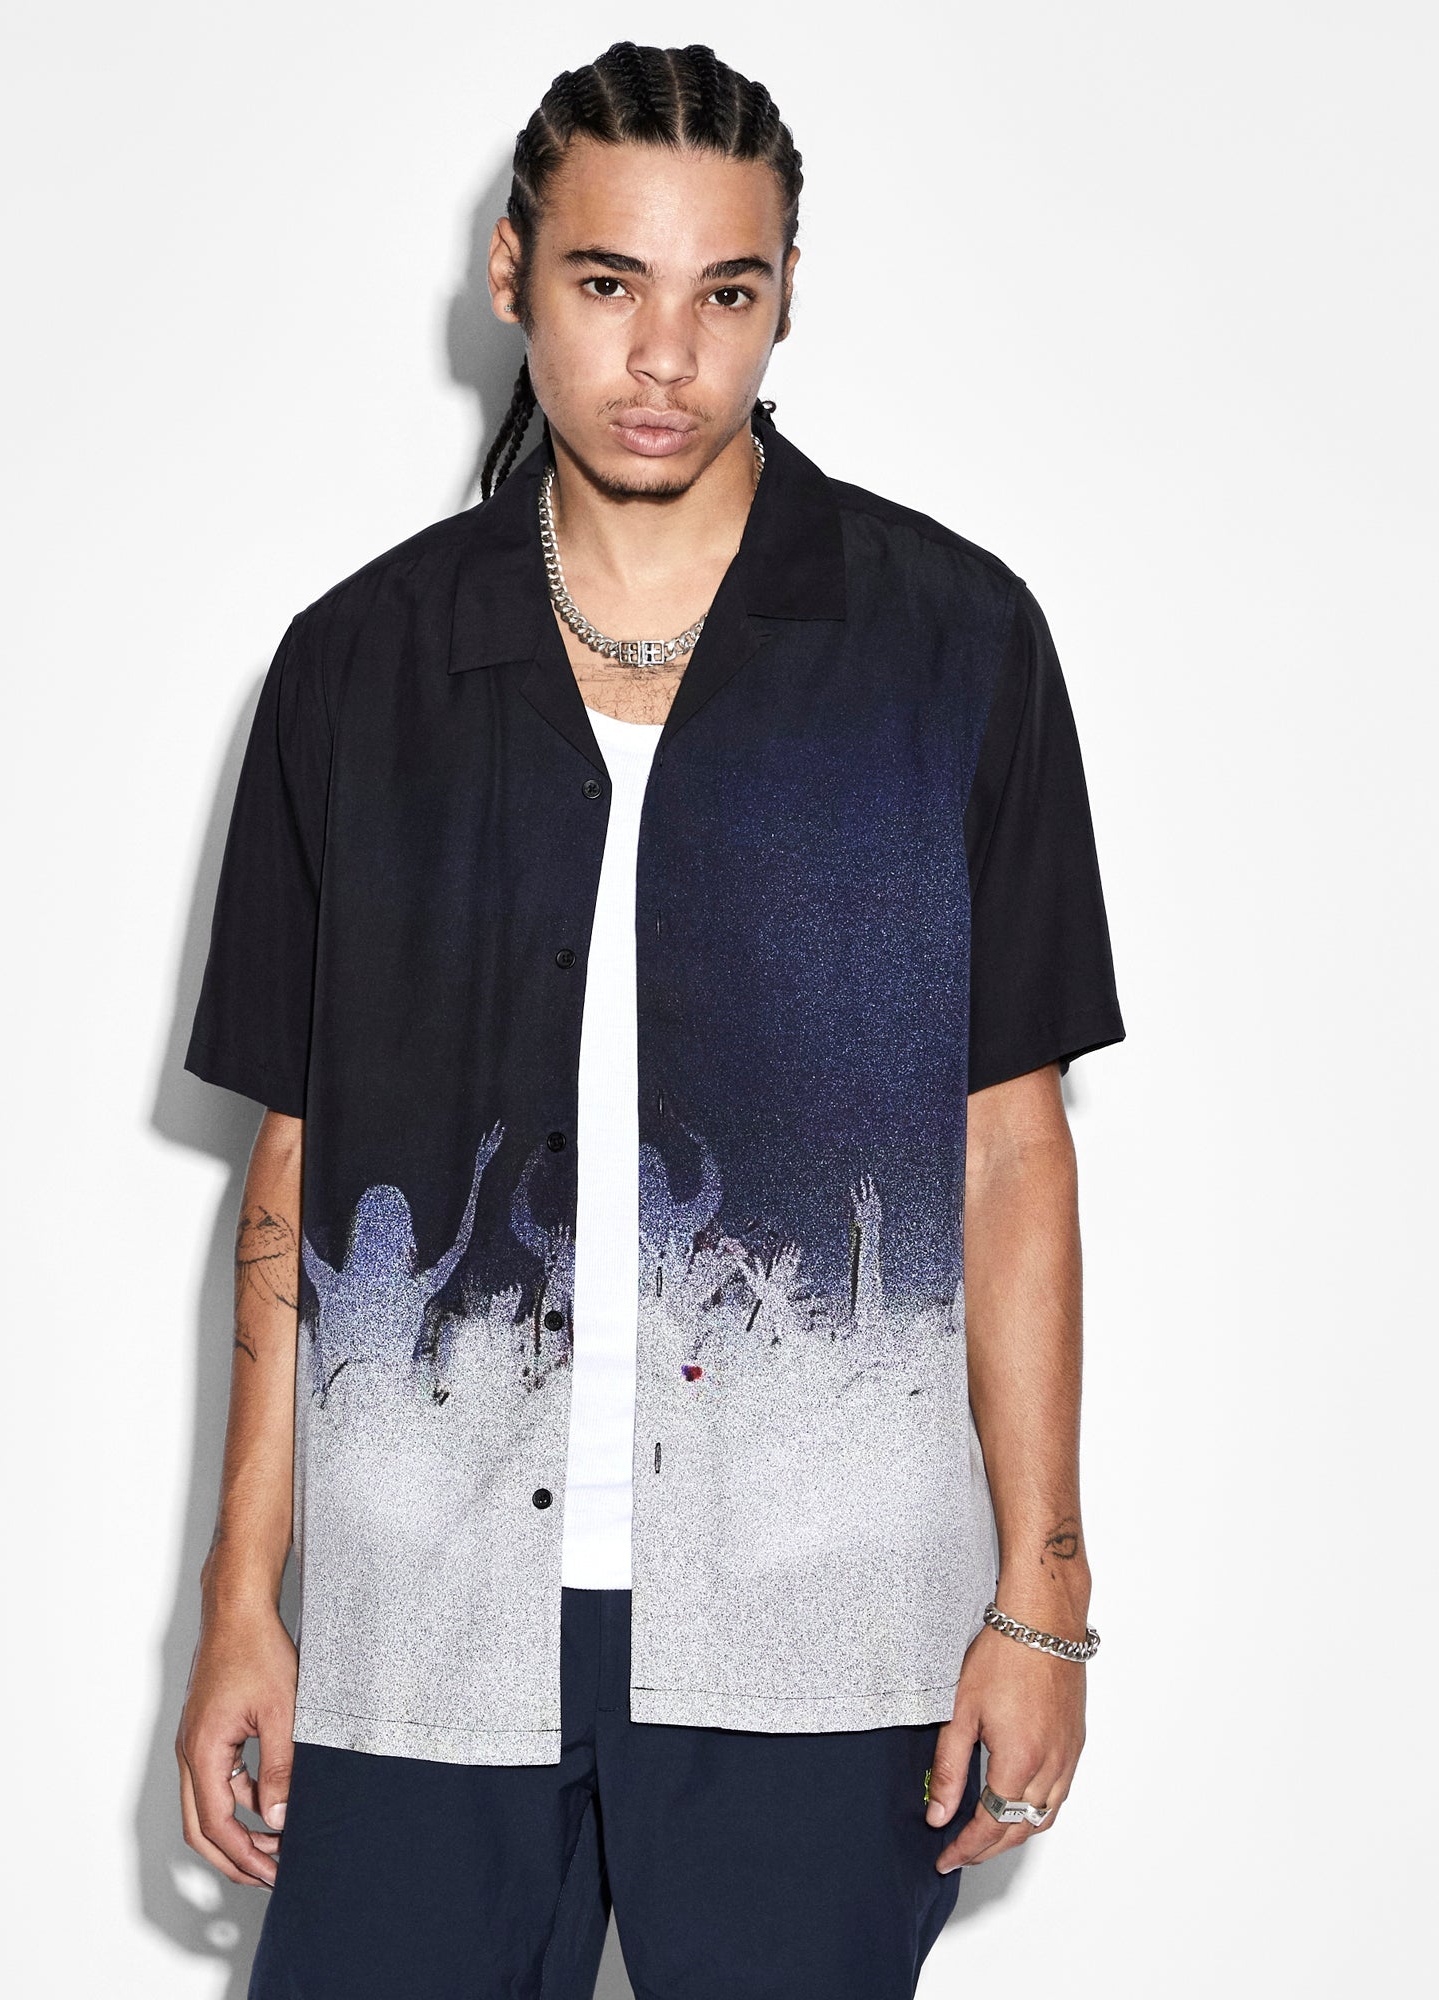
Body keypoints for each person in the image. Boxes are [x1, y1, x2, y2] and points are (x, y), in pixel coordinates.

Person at [176, 39, 1124, 1999]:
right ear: (510, 273)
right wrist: (241, 1598)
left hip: (817, 1614)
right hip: (421, 1618)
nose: (668, 359)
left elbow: (1008, 1146)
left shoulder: (952, 650)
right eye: (609, 283)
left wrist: (1041, 1596)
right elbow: (292, 1171)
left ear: (784, 298)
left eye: (728, 293)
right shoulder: (356, 673)